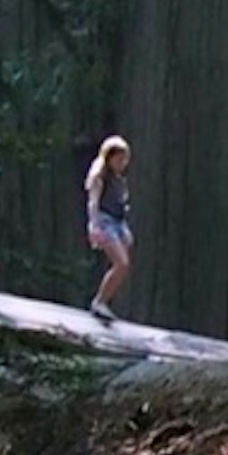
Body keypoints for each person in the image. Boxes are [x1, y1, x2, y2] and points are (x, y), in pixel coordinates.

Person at [82, 134, 133, 321]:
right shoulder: (99, 177)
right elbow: (93, 203)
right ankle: (99, 302)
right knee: (121, 263)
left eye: (125, 159)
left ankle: (104, 301)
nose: (123, 163)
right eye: (119, 159)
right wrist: (94, 227)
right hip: (104, 222)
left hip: (117, 222)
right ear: (109, 158)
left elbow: (120, 205)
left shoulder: (119, 180)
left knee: (123, 266)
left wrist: (125, 229)